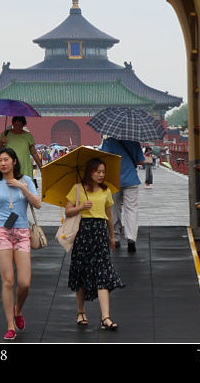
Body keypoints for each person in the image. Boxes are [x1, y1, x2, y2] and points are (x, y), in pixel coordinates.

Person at [0, 147, 41, 340]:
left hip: (22, 233)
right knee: (8, 281)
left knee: (24, 283)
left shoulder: (27, 181)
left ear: (14, 161)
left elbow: (37, 203)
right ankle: (10, 325)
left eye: (6, 159)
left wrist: (21, 187)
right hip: (1, 232)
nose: (2, 163)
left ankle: (18, 310)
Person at [65, 157, 125, 330]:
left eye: (103, 172)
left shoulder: (106, 191)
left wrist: (112, 236)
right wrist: (80, 207)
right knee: (81, 272)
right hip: (82, 233)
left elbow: (109, 215)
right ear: (89, 171)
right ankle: (81, 311)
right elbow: (68, 211)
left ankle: (105, 317)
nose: (101, 175)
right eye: (97, 171)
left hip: (100, 233)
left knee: (103, 273)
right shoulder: (77, 189)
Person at [100, 137, 145, 253]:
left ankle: (115, 237)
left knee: (114, 209)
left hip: (113, 180)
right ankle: (131, 238)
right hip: (131, 179)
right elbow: (141, 161)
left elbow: (102, 159)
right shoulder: (134, 141)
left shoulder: (109, 142)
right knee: (131, 209)